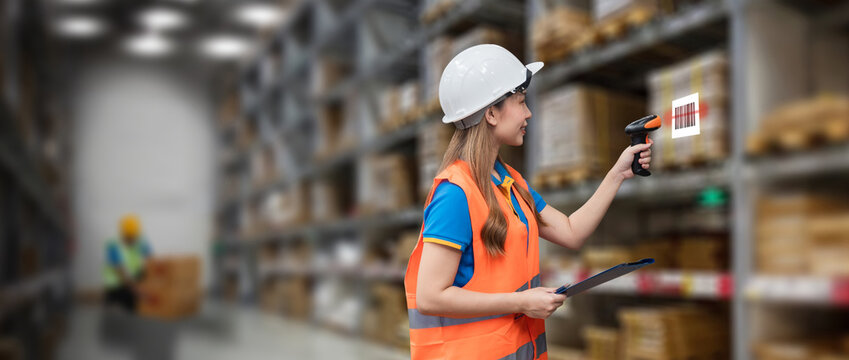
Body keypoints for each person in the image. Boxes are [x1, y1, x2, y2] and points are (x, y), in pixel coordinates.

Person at [404, 44, 653, 359]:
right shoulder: (454, 193)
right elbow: (430, 297)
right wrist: (522, 302)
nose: (528, 113)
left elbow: (572, 231)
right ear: (491, 113)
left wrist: (617, 174)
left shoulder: (511, 183)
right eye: (520, 102)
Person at [103, 214, 152, 313]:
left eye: (134, 236)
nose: (132, 239)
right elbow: (121, 273)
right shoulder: (113, 246)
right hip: (116, 285)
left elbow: (152, 262)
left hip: (134, 280)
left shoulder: (141, 242)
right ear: (123, 234)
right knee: (123, 310)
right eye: (129, 236)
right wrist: (137, 291)